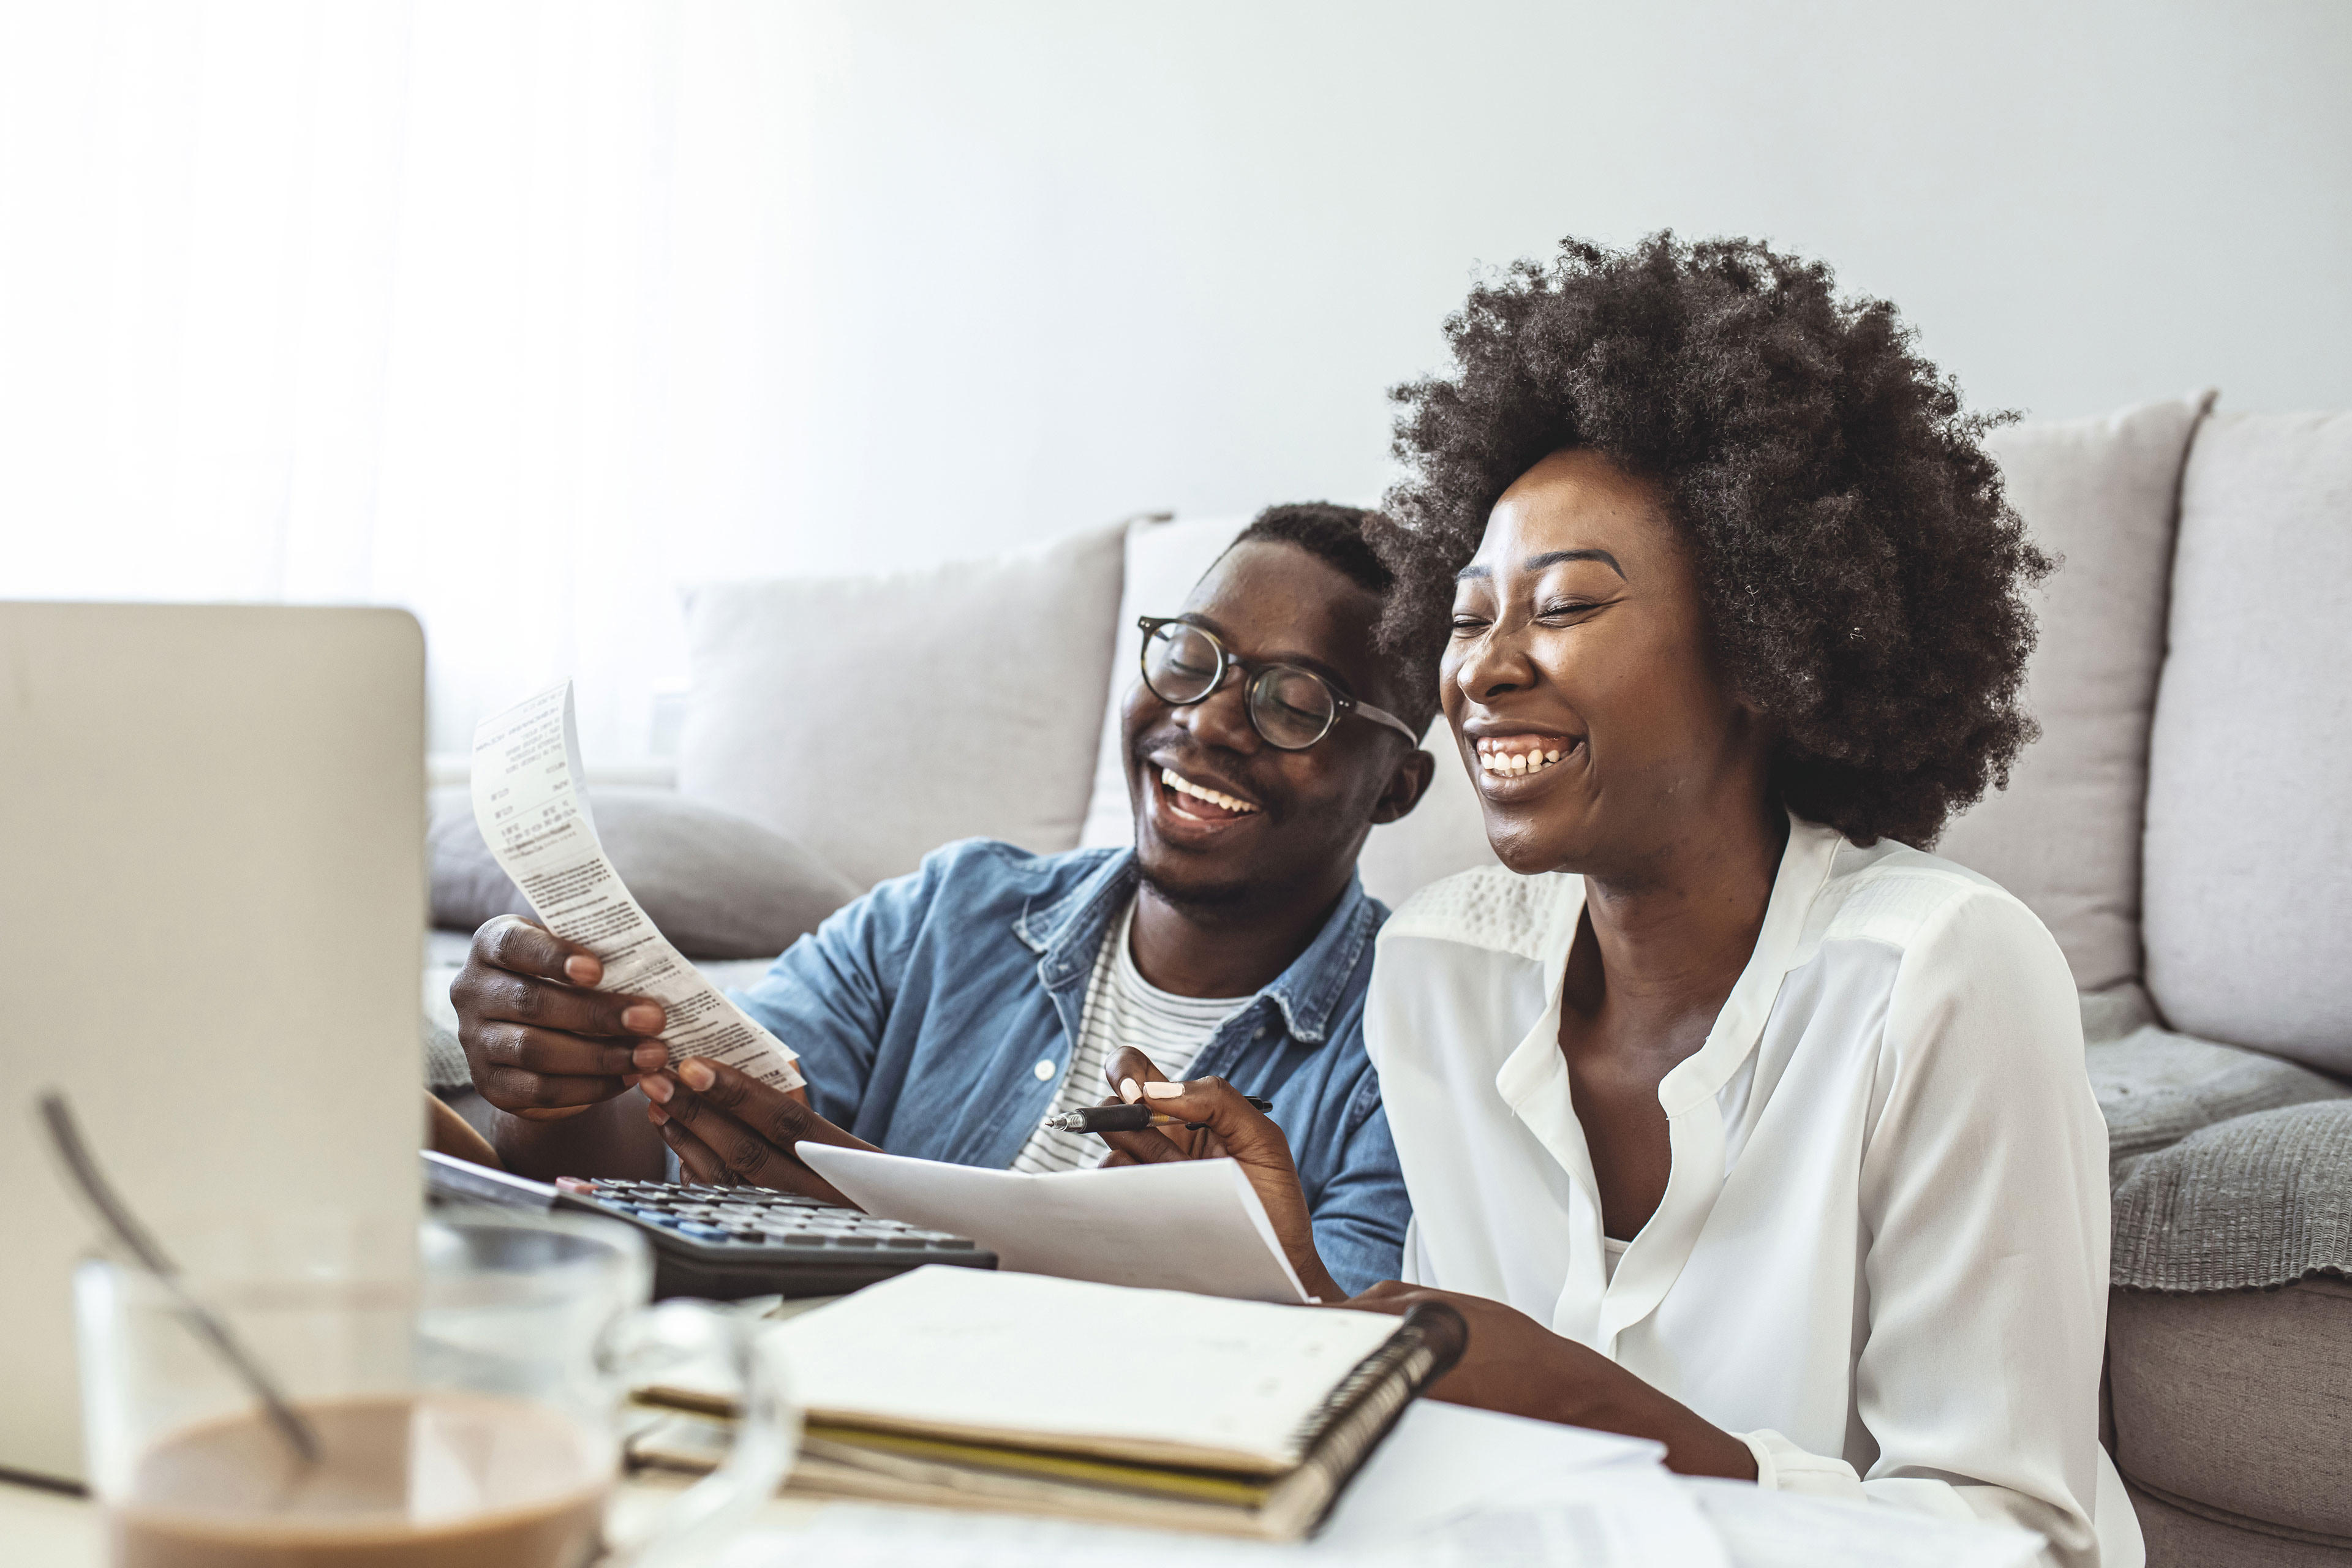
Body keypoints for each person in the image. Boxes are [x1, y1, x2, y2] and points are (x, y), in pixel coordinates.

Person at [1134, 237, 2133, 1564]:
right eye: (1468, 614)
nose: (1484, 670)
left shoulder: (1941, 974)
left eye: (1564, 606)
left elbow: (2030, 1539)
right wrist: (1310, 1289)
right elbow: (1466, 1442)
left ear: (1769, 646)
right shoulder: (1442, 971)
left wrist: (1596, 1404)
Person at [450, 503, 1438, 1297]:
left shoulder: (1415, 1048)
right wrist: (558, 1093)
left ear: (1396, 787)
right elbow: (653, 1175)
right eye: (1189, 658)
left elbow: (1347, 1350)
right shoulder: (949, 913)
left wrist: (887, 1230)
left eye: (1295, 703)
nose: (1210, 720)